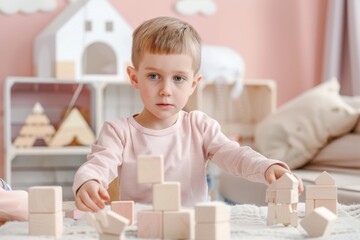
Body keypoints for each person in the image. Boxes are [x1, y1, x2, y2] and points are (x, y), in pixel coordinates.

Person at [73, 16, 303, 212]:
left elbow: (235, 156)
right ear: (135, 78)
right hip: (141, 228)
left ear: (194, 84)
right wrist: (89, 181)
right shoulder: (118, 131)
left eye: (178, 78)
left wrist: (266, 167)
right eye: (154, 76)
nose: (165, 90)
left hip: (192, 226)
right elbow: (100, 164)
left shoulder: (200, 126)